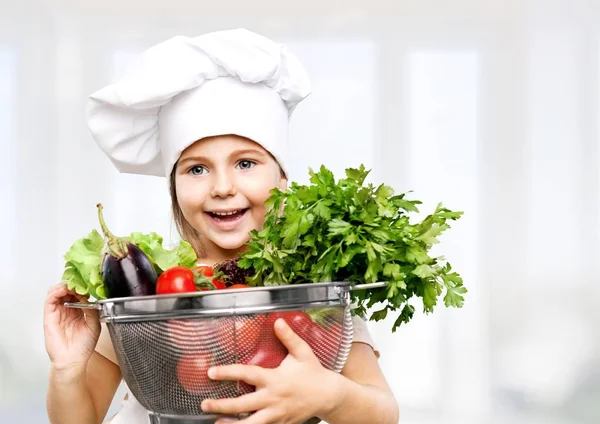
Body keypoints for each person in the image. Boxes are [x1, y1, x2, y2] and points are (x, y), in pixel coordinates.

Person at [43, 28, 400, 424]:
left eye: (245, 163)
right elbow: (80, 418)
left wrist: (329, 395)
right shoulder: (152, 288)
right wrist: (68, 369)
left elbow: (381, 412)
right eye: (197, 169)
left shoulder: (310, 283)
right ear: (174, 187)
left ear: (282, 179)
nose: (223, 187)